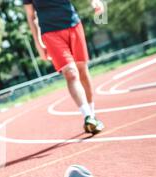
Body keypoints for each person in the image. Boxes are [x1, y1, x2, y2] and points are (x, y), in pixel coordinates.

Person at [24, 0, 105, 134]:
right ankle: (87, 116)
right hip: (50, 33)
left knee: (82, 71)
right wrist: (38, 44)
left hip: (73, 24)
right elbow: (31, 16)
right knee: (71, 73)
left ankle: (92, 114)